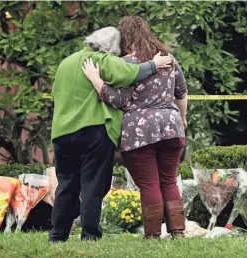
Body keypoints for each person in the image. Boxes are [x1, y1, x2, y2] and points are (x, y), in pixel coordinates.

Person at [49, 26, 173, 243]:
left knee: (67, 184)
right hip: (93, 131)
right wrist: (155, 64)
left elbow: (54, 97)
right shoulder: (103, 60)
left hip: (62, 133)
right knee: (93, 184)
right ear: (112, 48)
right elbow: (131, 73)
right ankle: (89, 235)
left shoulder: (65, 63)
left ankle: (57, 236)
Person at [82, 16, 188, 239]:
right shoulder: (168, 59)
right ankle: (178, 231)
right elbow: (182, 93)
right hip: (172, 126)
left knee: (149, 183)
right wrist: (183, 117)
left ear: (125, 38)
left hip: (139, 132)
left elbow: (117, 99)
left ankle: (153, 235)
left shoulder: (127, 64)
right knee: (168, 179)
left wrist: (95, 79)